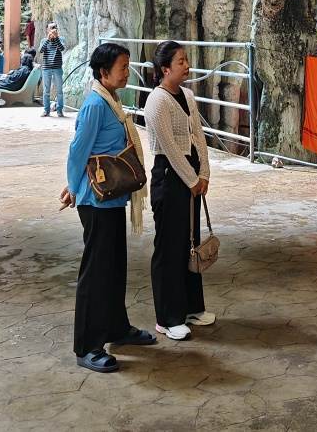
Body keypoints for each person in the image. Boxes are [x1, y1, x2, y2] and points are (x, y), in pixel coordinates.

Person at [59, 42, 156, 372]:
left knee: (114, 267)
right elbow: (78, 151)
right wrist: (72, 187)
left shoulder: (111, 99)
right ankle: (87, 345)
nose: (127, 72)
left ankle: (116, 328)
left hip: (113, 197)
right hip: (95, 200)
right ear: (104, 72)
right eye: (122, 68)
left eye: (128, 66)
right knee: (96, 273)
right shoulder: (95, 105)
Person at [143, 40, 215, 341]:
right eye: (181, 61)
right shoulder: (157, 102)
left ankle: (191, 307)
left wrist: (205, 173)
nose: (187, 66)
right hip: (170, 179)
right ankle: (167, 316)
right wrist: (192, 179)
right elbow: (170, 150)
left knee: (190, 241)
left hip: (191, 178)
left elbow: (198, 135)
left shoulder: (187, 95)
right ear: (165, 69)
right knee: (170, 247)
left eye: (187, 60)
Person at [38, 22, 65, 118]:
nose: (53, 29)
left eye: (55, 27)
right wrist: (48, 39)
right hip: (46, 68)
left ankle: (59, 110)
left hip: (57, 68)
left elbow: (62, 48)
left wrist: (56, 38)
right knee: (46, 91)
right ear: (47, 29)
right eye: (51, 27)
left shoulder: (60, 39)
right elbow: (41, 50)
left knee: (59, 91)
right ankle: (46, 110)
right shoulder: (44, 40)